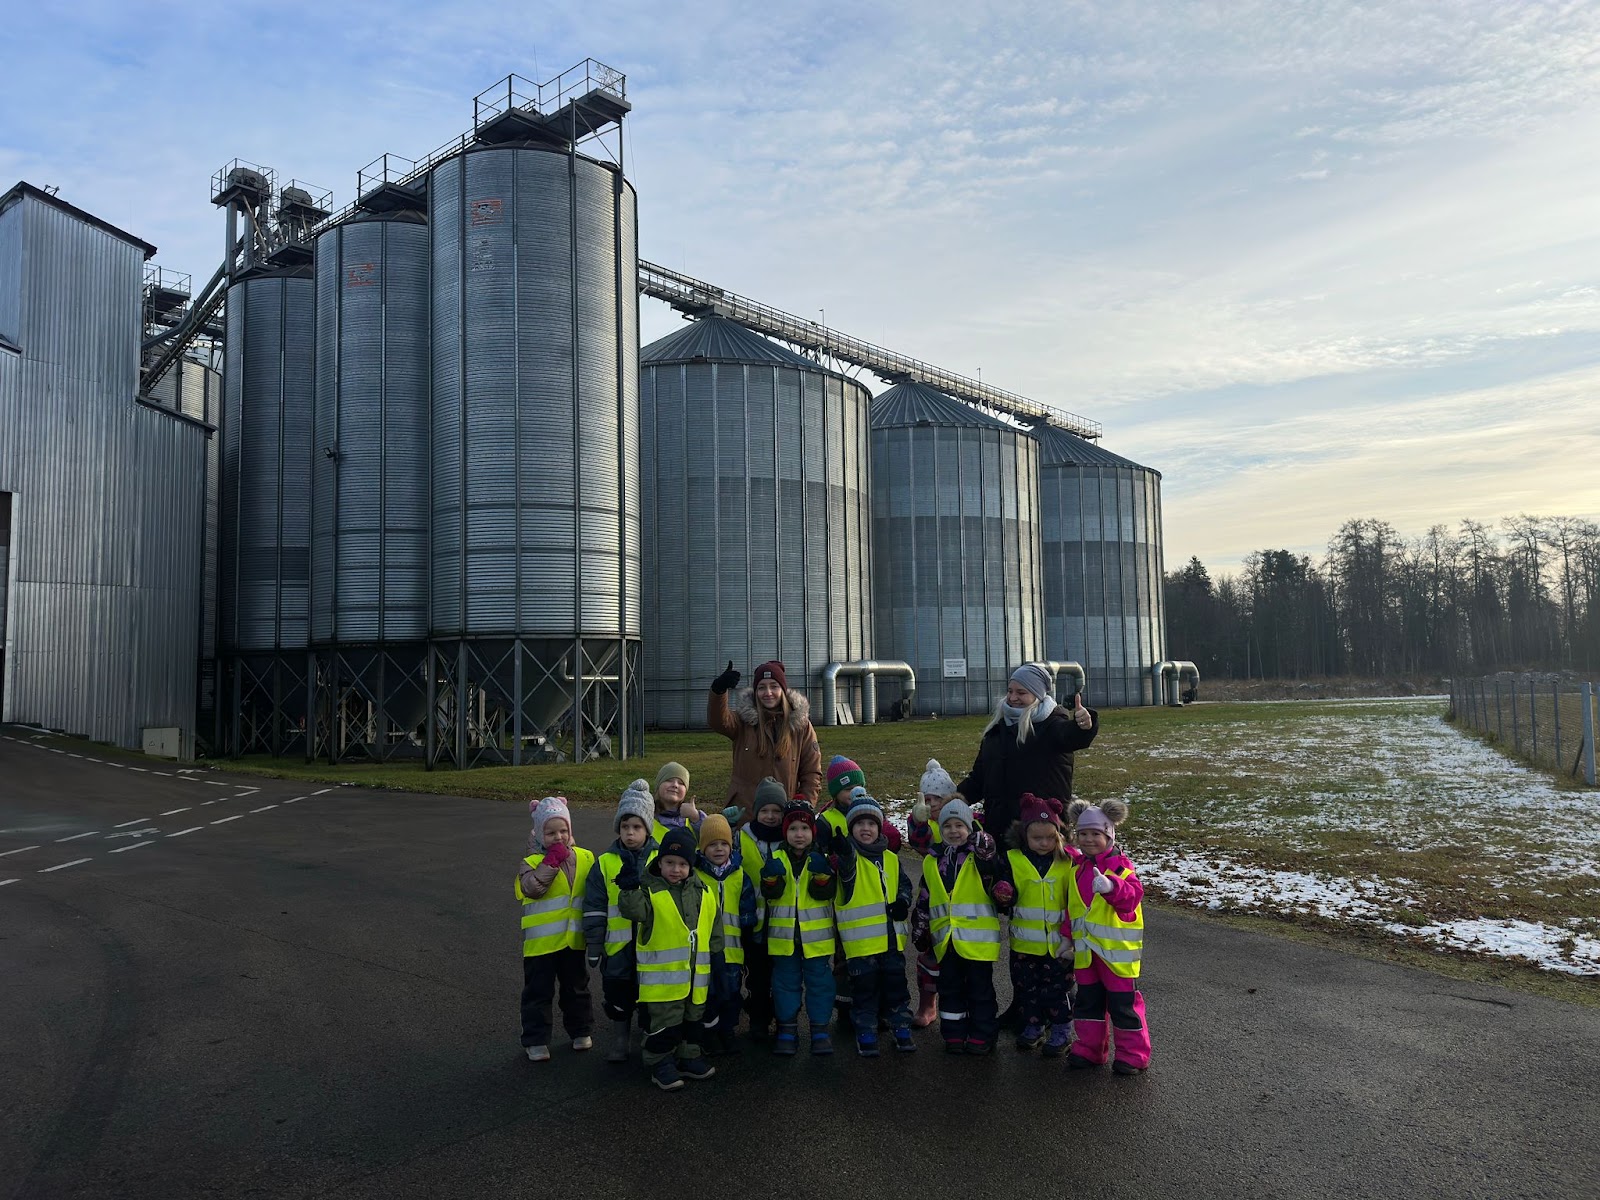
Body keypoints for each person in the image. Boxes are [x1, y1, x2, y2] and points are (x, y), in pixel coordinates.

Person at [616, 826, 722, 1091]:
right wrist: (628, 887)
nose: (676, 869)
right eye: (670, 863)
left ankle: (688, 1055)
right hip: (662, 982)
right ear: (660, 862)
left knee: (692, 1019)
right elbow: (633, 910)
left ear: (691, 865)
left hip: (696, 977)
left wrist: (718, 954)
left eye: (682, 864)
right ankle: (659, 1062)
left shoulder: (703, 891)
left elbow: (714, 925)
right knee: (665, 1023)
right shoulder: (649, 891)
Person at [957, 662, 1098, 843]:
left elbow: (1072, 737)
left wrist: (1084, 726)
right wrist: (952, 800)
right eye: (1010, 691)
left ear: (1037, 695)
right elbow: (979, 779)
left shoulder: (1052, 726)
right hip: (1000, 830)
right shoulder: (996, 732)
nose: (1013, 697)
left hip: (1041, 835)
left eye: (1021, 692)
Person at [1061, 799, 1150, 1075]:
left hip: (1116, 955)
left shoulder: (1121, 867)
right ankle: (1090, 1049)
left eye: (1095, 834)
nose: (1088, 840)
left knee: (1123, 1006)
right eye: (1083, 834)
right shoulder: (1077, 870)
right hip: (1087, 955)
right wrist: (1066, 938)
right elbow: (1074, 908)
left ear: (1109, 836)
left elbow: (1132, 898)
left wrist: (1112, 887)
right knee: (1088, 1002)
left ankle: (1133, 1055)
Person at [912, 798, 1003, 1055]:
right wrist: (920, 925)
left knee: (979, 990)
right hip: (946, 940)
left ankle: (982, 1034)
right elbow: (925, 895)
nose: (953, 831)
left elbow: (994, 873)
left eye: (959, 825)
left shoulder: (978, 857)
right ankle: (953, 1033)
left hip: (978, 942)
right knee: (950, 989)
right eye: (947, 826)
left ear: (969, 828)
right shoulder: (932, 861)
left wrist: (986, 852)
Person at [988, 793, 1075, 1055]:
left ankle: (1061, 1029)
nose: (1044, 843)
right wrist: (1003, 891)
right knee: (1027, 989)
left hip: (1059, 946)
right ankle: (1033, 1026)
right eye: (1037, 838)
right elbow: (1004, 888)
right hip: (1024, 944)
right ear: (1024, 835)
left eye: (1050, 837)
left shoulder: (1068, 861)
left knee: (1058, 990)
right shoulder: (1012, 859)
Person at [831, 790, 916, 1056]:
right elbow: (846, 870)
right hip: (862, 948)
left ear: (879, 828)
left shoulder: (890, 858)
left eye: (871, 823)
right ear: (851, 828)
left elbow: (904, 885)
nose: (865, 828)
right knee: (864, 993)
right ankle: (865, 1030)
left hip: (891, 944)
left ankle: (901, 1027)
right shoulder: (851, 860)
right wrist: (844, 852)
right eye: (859, 824)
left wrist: (902, 901)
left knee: (896, 989)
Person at [516, 796, 595, 1062]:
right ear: (539, 834)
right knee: (538, 992)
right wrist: (550, 863)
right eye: (550, 833)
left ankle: (581, 1031)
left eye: (563, 831)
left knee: (577, 988)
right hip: (541, 945)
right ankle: (536, 1040)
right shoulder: (531, 862)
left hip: (573, 940)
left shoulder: (585, 857)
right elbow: (532, 888)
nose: (558, 837)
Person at [583, 783, 658, 1062]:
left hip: (652, 946)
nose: (630, 833)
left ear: (647, 829)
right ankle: (620, 1038)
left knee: (650, 995)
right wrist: (594, 943)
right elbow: (594, 906)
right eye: (625, 826)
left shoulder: (660, 860)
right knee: (618, 994)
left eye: (637, 827)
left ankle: (651, 1036)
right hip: (617, 948)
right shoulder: (605, 863)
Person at [759, 802, 838, 1056]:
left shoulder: (820, 858)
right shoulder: (777, 857)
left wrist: (822, 877)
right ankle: (787, 1028)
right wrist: (769, 878)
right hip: (784, 939)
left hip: (816, 940)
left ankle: (820, 1029)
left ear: (813, 831)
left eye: (804, 828)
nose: (799, 834)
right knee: (784, 985)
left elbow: (825, 894)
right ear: (785, 832)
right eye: (793, 828)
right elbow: (771, 894)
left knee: (820, 984)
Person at [707, 659, 823, 822]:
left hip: (784, 814)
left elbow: (811, 773)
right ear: (755, 692)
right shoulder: (743, 721)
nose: (768, 693)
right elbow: (718, 721)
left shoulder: (800, 726)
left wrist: (802, 807)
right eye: (761, 687)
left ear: (783, 690)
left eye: (774, 686)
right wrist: (719, 690)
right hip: (745, 813)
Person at [695, 814, 758, 1055]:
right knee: (707, 993)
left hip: (732, 950)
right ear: (703, 848)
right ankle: (708, 1034)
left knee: (731, 992)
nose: (719, 849)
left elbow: (747, 910)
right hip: (704, 952)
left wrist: (748, 933)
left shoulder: (740, 876)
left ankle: (728, 1030)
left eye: (724, 843)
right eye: (712, 844)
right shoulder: (696, 875)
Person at [906, 759, 960, 1028]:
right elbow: (919, 842)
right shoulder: (927, 825)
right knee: (929, 953)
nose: (933, 803)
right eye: (927, 798)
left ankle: (959, 1005)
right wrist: (918, 821)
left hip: (961, 902)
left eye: (938, 797)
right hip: (931, 901)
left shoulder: (960, 821)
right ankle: (927, 1005)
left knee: (958, 957)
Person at [737, 777, 789, 1041]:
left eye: (776, 811)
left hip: (782, 926)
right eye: (764, 810)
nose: (770, 816)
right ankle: (758, 1020)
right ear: (756, 811)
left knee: (782, 979)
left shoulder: (790, 839)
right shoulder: (742, 838)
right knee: (757, 978)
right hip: (754, 925)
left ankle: (784, 1021)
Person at [650, 764, 702, 841]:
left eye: (681, 783)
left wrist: (696, 818)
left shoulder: (694, 818)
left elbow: (712, 838)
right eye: (669, 780)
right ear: (658, 785)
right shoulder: (645, 815)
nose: (675, 785)